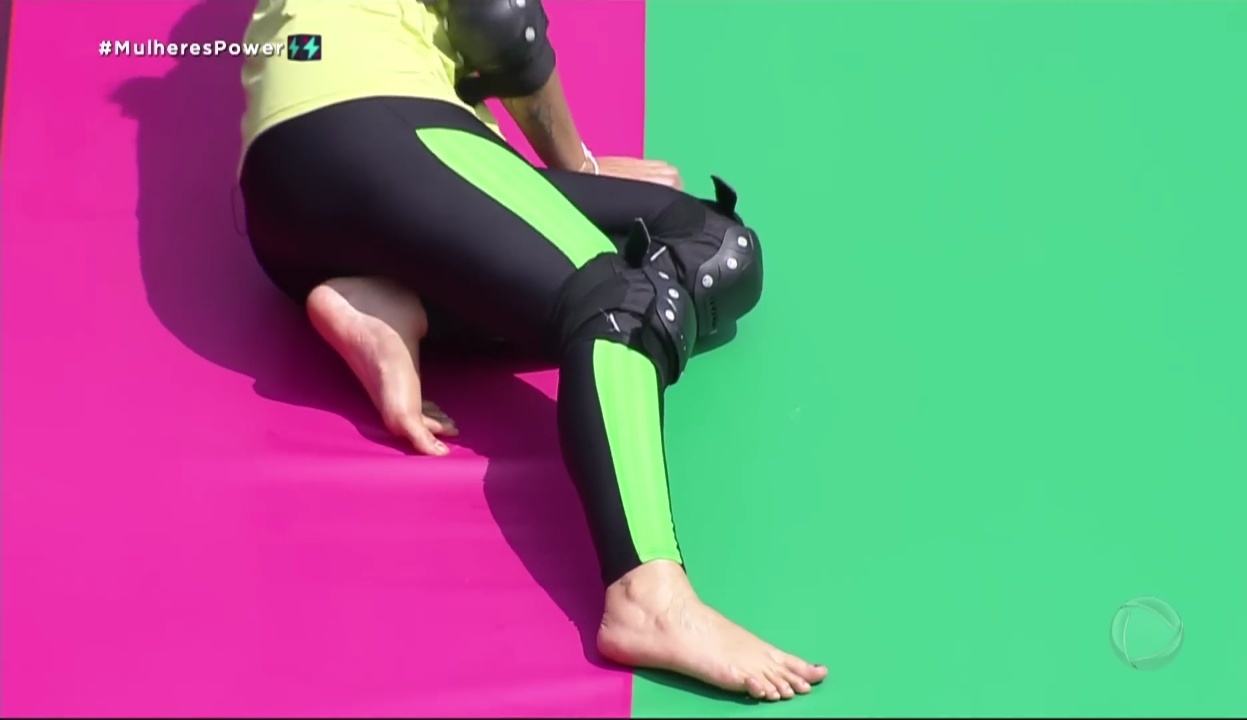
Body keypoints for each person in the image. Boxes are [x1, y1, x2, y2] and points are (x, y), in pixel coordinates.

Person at [238, 0, 828, 701]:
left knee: (714, 247)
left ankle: (386, 292)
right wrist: (576, 164)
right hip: (383, 128)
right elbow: (499, 18)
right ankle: (647, 596)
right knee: (626, 298)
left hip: (289, 199)